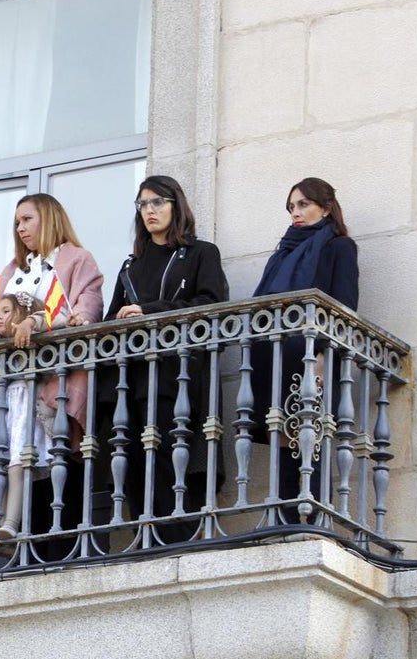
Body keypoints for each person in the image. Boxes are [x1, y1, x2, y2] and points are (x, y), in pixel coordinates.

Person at [0, 193, 104, 547]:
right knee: (9, 463)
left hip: (51, 386)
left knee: (54, 471)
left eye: (27, 219)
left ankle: (54, 551)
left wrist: (40, 323)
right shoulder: (11, 272)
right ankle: (10, 533)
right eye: (17, 222)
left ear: (50, 219)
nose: (20, 228)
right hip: (7, 389)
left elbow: (86, 310)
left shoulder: (77, 259)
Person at [103, 175, 229, 543]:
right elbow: (111, 321)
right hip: (134, 379)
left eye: (157, 202)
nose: (149, 211)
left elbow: (211, 303)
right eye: (142, 204)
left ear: (176, 206)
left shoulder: (201, 253)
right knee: (138, 456)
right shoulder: (130, 267)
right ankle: (148, 534)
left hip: (180, 375)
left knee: (175, 451)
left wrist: (149, 311)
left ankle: (180, 535)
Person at [250, 177, 358, 523]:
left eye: (303, 205)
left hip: (313, 357)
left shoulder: (339, 246)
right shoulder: (282, 253)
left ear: (326, 208)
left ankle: (316, 519)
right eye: (291, 207)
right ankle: (282, 518)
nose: (295, 213)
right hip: (277, 356)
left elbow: (344, 304)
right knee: (282, 432)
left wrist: (326, 357)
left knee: (312, 433)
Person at [0, 294, 51, 541]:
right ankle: (0, 522)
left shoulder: (33, 330)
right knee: (0, 467)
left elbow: (54, 318)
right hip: (1, 409)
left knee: (18, 464)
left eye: (6, 311)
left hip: (24, 404)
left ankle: (12, 522)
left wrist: (29, 324)